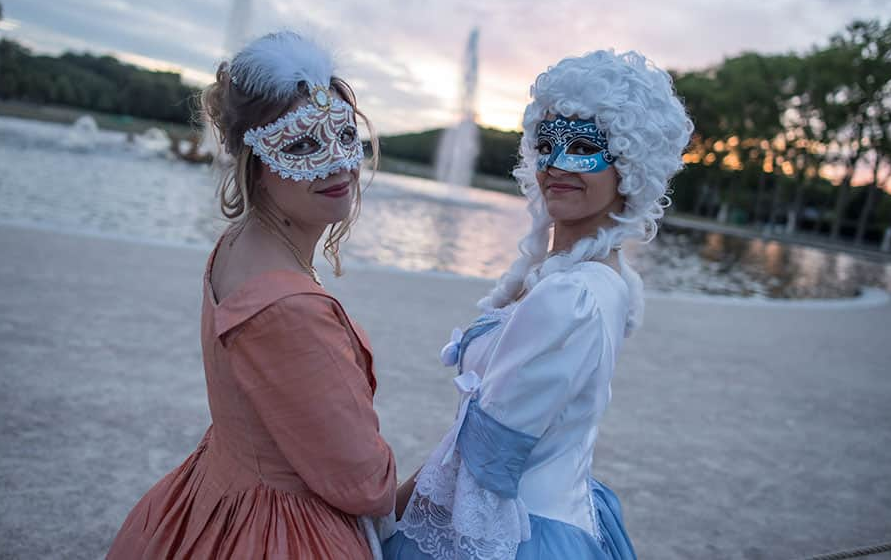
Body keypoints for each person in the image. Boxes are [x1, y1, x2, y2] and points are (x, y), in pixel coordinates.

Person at [382, 49, 692, 559]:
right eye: (546, 144)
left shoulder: (571, 296)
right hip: (563, 513)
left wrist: (385, 516)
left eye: (584, 147)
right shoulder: (608, 279)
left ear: (631, 165)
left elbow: (483, 459)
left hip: (517, 532)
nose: (556, 165)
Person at [107, 32, 396, 559]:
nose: (339, 164)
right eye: (303, 145)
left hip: (219, 496)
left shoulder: (236, 245)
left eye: (344, 135)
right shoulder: (289, 309)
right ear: (257, 163)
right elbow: (365, 484)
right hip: (278, 534)